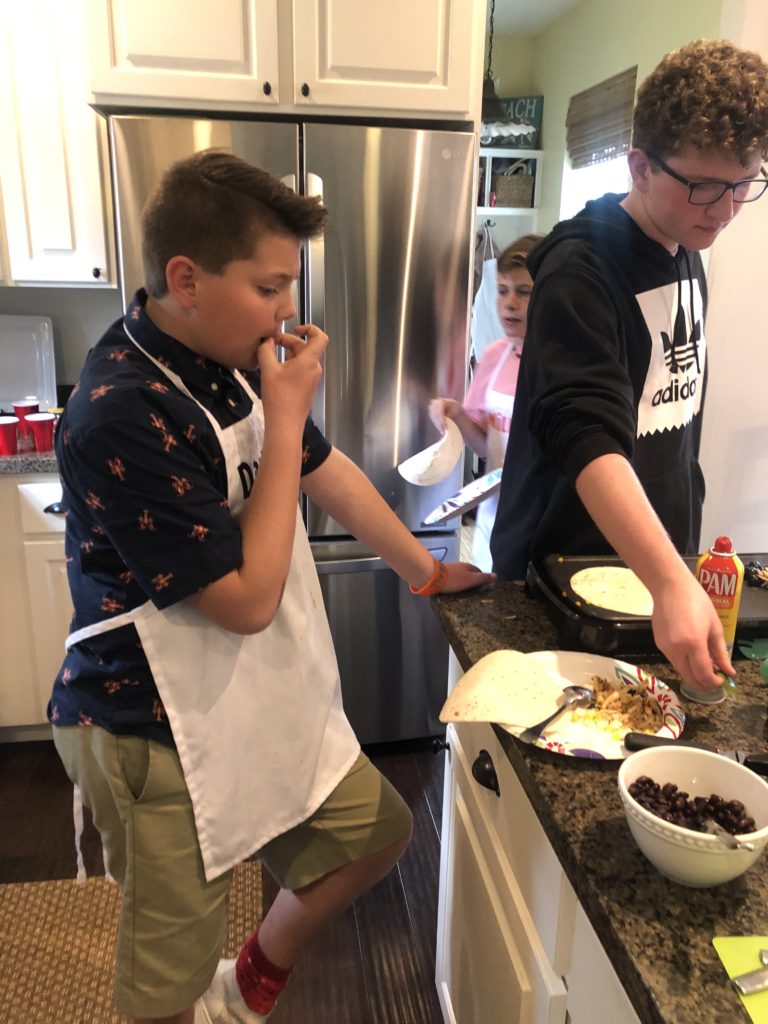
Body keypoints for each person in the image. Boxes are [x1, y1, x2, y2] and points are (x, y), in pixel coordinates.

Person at [48, 150, 493, 1024]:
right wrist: (283, 415)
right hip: (147, 728)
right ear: (185, 278)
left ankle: (249, 980)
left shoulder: (227, 353)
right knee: (166, 991)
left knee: (375, 829)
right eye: (269, 285)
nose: (289, 309)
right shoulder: (117, 410)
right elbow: (248, 602)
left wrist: (427, 570)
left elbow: (325, 475)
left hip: (239, 694)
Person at [490, 38, 768, 697]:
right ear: (639, 167)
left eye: (744, 183)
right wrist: (670, 580)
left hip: (650, 573)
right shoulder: (579, 270)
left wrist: (677, 572)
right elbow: (585, 433)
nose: (726, 210)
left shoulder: (683, 245)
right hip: (562, 585)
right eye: (703, 186)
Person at [429, 234, 542, 572]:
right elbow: (484, 445)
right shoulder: (495, 356)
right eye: (503, 290)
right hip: (492, 518)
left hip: (537, 526)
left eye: (523, 292)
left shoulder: (558, 364)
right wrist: (458, 414)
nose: (509, 303)